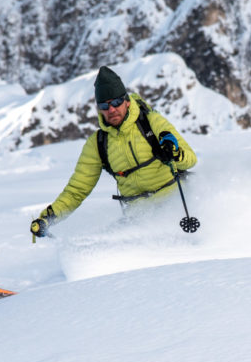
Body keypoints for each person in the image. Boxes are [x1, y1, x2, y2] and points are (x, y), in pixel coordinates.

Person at [30, 66, 198, 238]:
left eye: (116, 102)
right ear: (99, 109)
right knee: (100, 248)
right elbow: (77, 190)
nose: (111, 110)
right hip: (139, 217)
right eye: (105, 105)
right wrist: (47, 218)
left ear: (126, 100)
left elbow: (190, 159)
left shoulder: (151, 122)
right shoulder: (97, 144)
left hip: (178, 206)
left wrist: (174, 153)